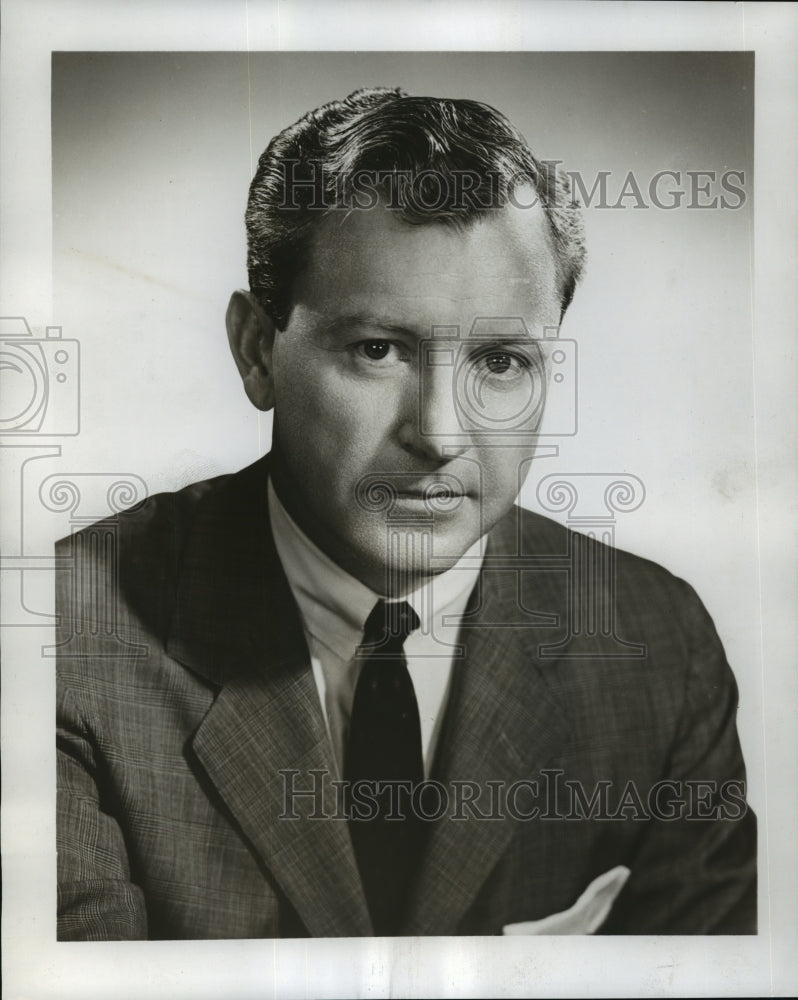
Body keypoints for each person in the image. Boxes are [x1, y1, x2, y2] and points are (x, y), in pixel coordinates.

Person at [56, 87, 756, 939]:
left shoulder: (660, 645)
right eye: (378, 350)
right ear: (255, 353)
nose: (442, 435)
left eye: (500, 361)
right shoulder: (64, 640)